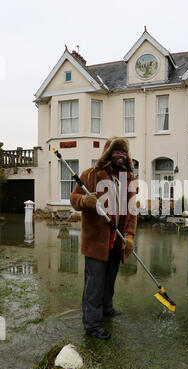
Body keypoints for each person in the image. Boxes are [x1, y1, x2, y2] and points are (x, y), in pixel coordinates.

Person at [70, 137, 137, 340]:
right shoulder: (89, 175)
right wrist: (84, 200)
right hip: (96, 241)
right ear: (108, 153)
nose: (121, 156)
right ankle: (92, 325)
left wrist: (129, 235)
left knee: (109, 280)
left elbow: (132, 211)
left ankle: (107, 308)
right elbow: (74, 199)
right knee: (94, 284)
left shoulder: (128, 180)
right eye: (117, 152)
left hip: (117, 240)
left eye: (124, 153)